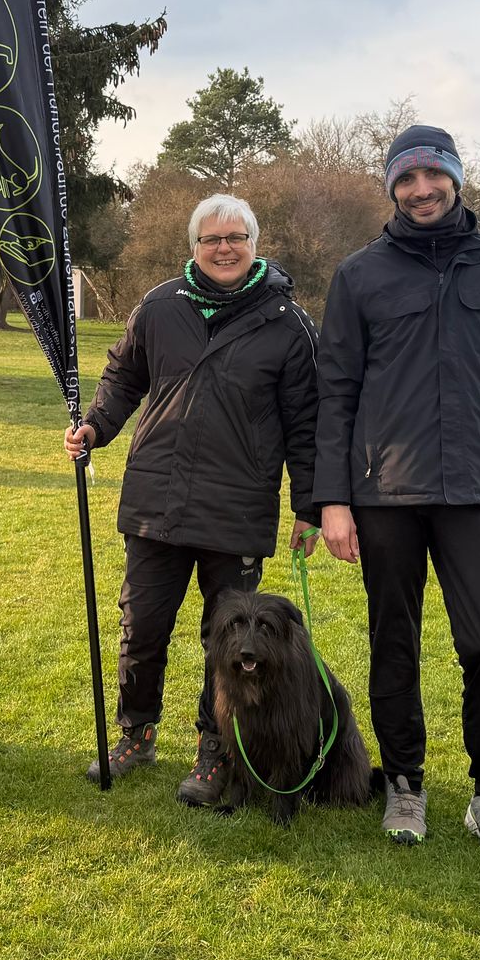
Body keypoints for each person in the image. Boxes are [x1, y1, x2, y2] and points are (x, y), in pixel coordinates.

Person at [314, 125, 480, 853]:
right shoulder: (359, 276)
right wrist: (334, 499)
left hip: (476, 486)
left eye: (431, 177)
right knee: (394, 646)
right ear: (392, 189)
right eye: (405, 181)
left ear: (455, 179)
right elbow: (336, 392)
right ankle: (404, 785)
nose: (420, 191)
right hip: (387, 494)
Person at [64, 195, 320, 803]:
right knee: (142, 626)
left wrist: (309, 506)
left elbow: (308, 422)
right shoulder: (159, 306)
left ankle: (215, 747)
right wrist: (95, 425)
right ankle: (137, 732)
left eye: (235, 236)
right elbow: (124, 376)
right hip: (157, 499)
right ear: (193, 247)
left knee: (232, 638)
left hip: (237, 507)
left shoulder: (289, 323)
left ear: (255, 243)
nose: (223, 248)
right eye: (211, 239)